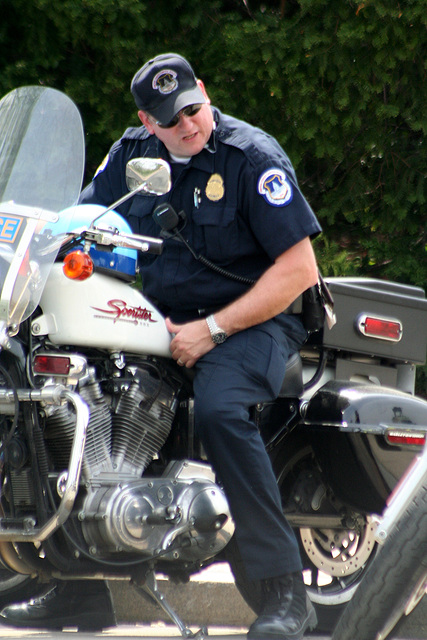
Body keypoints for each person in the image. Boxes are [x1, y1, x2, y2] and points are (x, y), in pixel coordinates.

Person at [0, 53, 321, 639]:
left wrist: (215, 329)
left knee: (223, 411)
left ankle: (285, 593)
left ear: (204, 90)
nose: (189, 125)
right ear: (148, 122)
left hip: (255, 322)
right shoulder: (131, 156)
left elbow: (299, 269)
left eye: (194, 109)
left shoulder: (251, 158)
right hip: (165, 322)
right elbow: (80, 218)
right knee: (60, 401)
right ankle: (75, 592)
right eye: (172, 120)